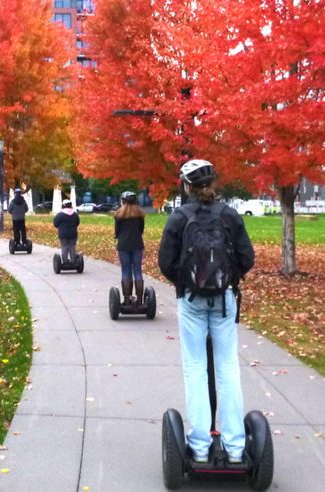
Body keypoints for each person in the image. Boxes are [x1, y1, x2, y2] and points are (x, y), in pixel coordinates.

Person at [158, 159, 255, 464]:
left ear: (187, 186)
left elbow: (165, 262)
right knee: (227, 368)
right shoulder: (229, 215)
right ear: (213, 184)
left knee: (195, 369)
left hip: (191, 301)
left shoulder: (179, 217)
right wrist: (228, 281)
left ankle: (199, 447)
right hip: (224, 300)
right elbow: (246, 257)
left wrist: (186, 283)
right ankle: (236, 448)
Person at [114, 191, 146, 305]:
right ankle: (139, 300)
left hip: (123, 245)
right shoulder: (140, 214)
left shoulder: (119, 215)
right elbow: (141, 230)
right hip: (137, 244)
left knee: (126, 271)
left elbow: (117, 232)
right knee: (137, 270)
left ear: (123, 201)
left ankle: (127, 299)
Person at [53, 199, 80, 264]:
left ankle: (65, 262)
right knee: (72, 246)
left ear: (63, 205)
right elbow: (77, 223)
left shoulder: (60, 214)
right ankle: (73, 261)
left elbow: (55, 224)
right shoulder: (75, 214)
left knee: (64, 247)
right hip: (73, 233)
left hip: (63, 234)